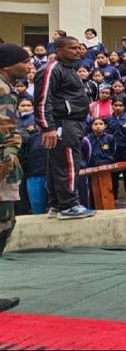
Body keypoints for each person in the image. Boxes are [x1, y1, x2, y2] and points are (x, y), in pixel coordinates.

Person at [32, 36, 96, 219]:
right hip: (62, 124)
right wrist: (48, 128)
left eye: (79, 47)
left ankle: (57, 205)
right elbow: (43, 100)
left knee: (57, 165)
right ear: (59, 51)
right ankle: (69, 206)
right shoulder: (51, 69)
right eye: (72, 48)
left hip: (72, 124)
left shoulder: (68, 68)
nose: (78, 51)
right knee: (68, 164)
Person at [0, 43, 32, 312]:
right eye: (25, 61)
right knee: (3, 224)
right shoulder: (2, 89)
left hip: (6, 163)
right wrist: (9, 151)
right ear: (8, 64)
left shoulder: (7, 87)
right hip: (2, 165)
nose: (29, 65)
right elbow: (5, 130)